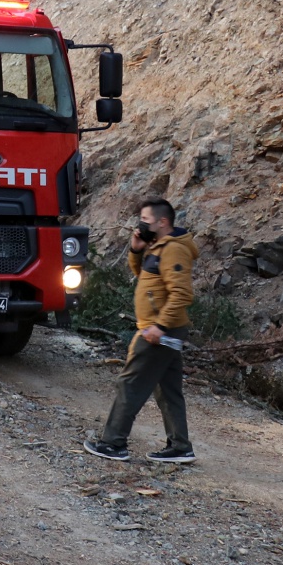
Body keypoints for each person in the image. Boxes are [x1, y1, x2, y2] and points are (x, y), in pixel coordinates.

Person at [84, 198, 199, 463]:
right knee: (168, 390)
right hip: (163, 330)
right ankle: (180, 447)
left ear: (162, 222)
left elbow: (181, 293)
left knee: (130, 384)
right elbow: (144, 277)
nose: (140, 224)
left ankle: (113, 443)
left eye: (145, 220)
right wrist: (136, 251)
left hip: (160, 332)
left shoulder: (174, 250)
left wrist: (160, 326)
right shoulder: (158, 247)